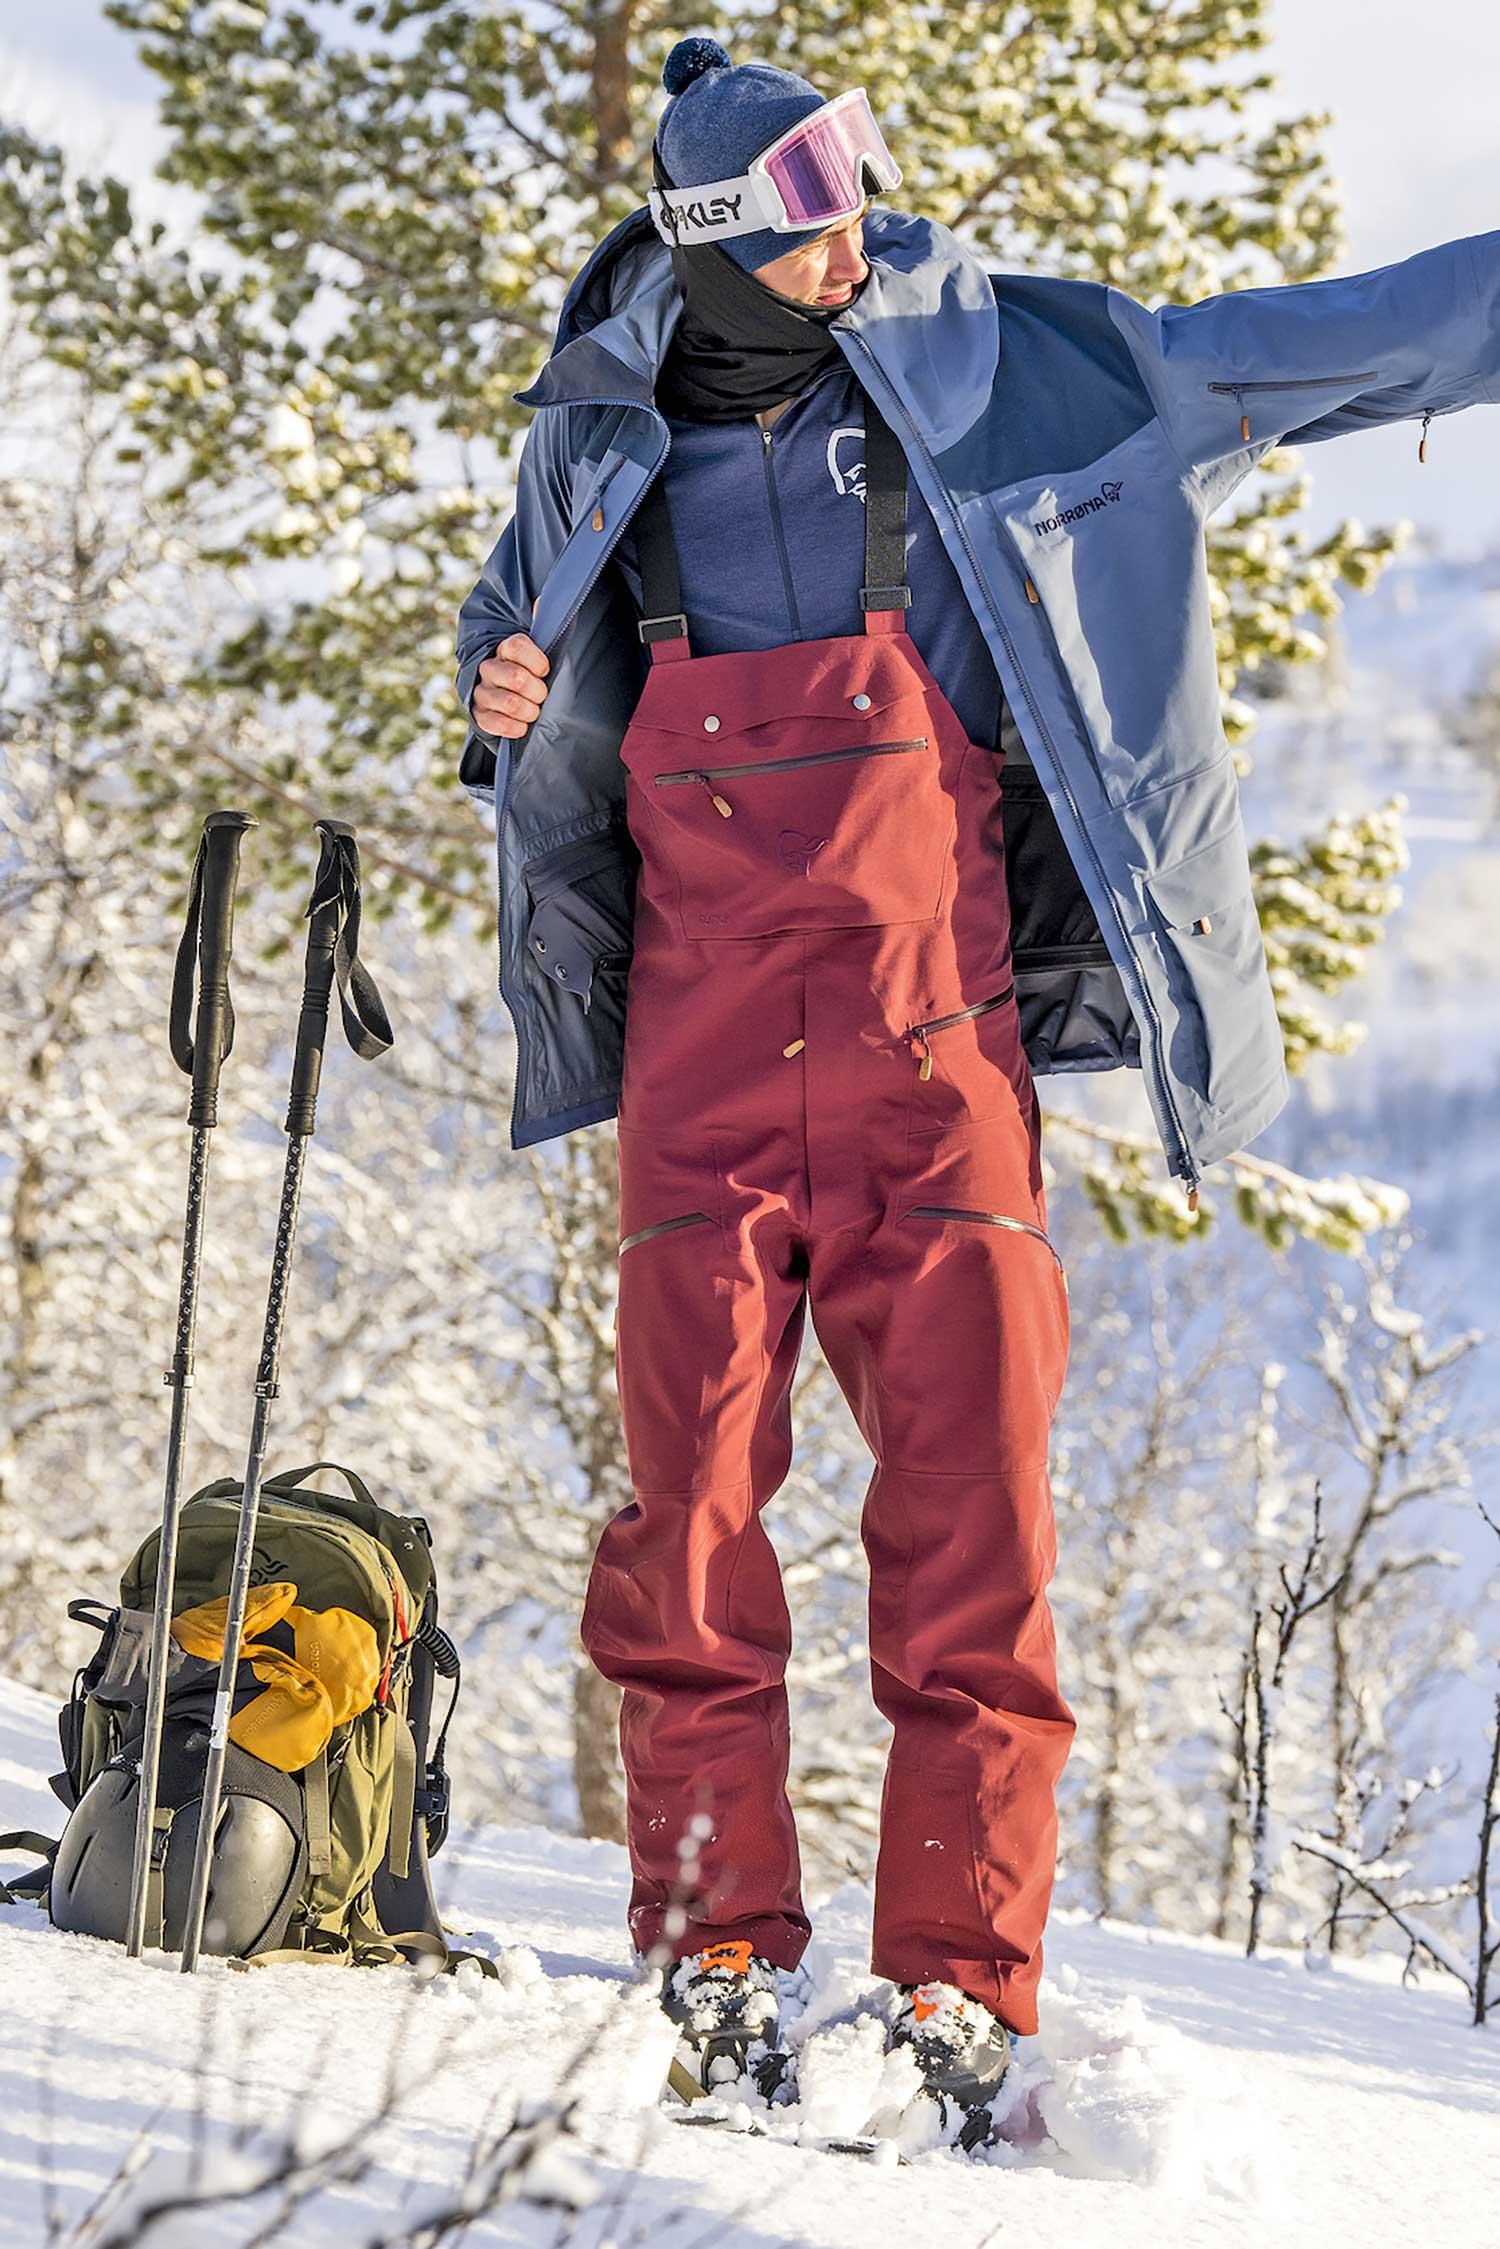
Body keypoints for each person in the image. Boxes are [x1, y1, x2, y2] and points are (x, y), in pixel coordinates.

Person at [456, 37, 1498, 2140]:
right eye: (819, 193)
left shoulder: (1010, 377)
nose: (865, 216)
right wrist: (495, 693)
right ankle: (715, 1960)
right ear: (725, 246)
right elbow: (519, 676)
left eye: (862, 174)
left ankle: (961, 1991)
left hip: (943, 1072)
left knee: (981, 1552)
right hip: (700, 1078)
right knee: (687, 1548)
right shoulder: (591, 449)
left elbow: (1335, 346)